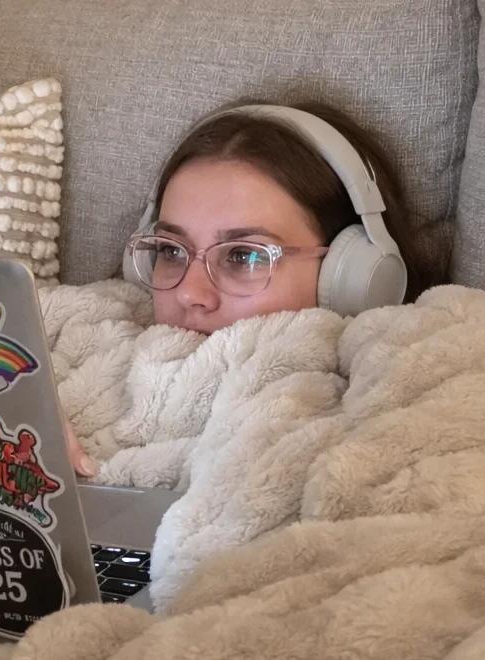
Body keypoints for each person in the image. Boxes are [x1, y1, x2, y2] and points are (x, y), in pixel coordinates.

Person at [66, 101, 444, 476]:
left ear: (355, 277)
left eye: (244, 256)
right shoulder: (81, 345)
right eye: (170, 250)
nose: (189, 293)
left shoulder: (414, 400)